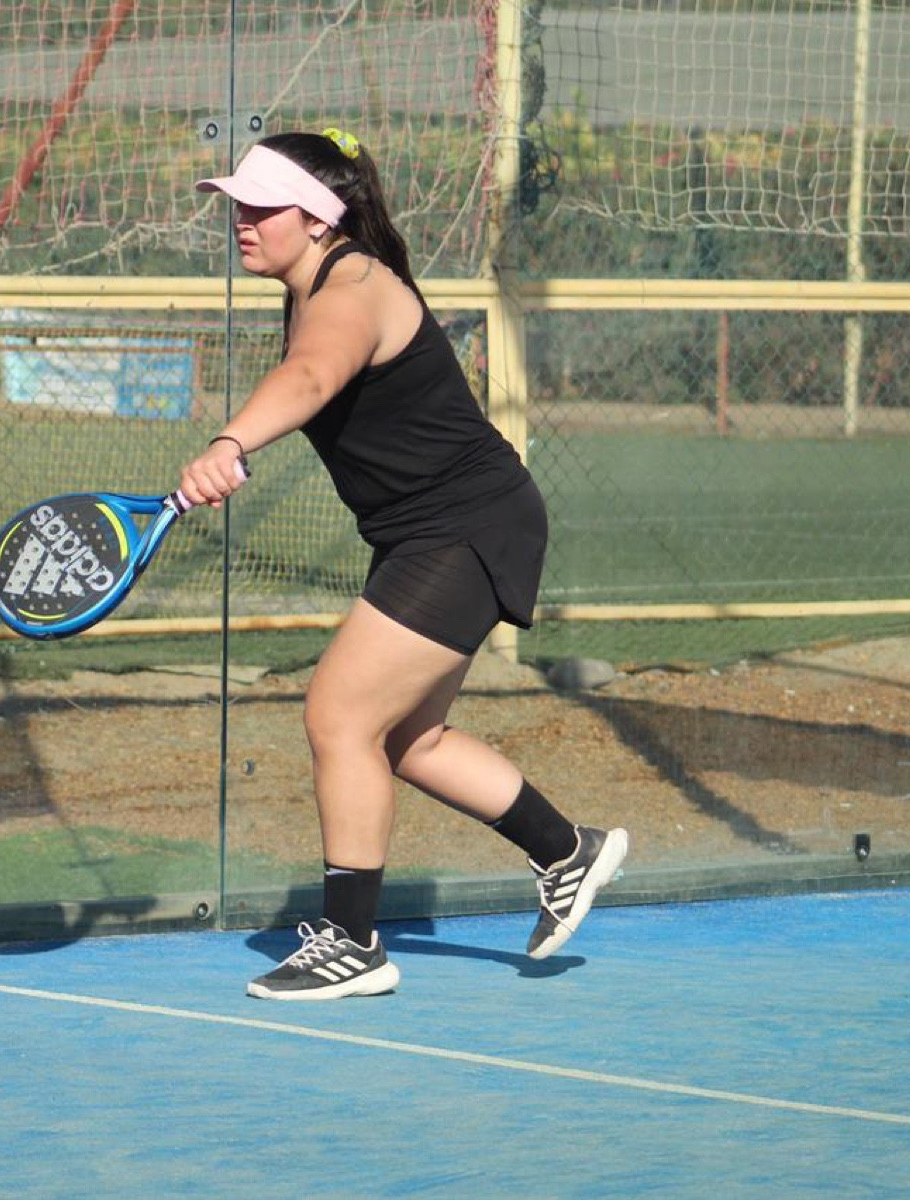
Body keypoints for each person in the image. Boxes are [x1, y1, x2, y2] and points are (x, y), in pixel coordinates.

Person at [182, 129, 629, 1000]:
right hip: (435, 530)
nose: (241, 220)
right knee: (405, 738)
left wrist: (229, 442)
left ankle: (351, 944)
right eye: (237, 204)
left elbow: (312, 377)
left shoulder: (350, 286)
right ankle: (566, 850)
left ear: (317, 219)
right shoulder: (314, 286)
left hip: (464, 527)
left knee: (339, 714)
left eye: (262, 206)